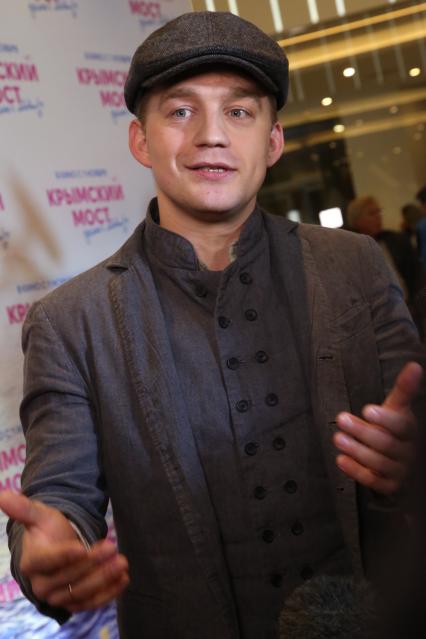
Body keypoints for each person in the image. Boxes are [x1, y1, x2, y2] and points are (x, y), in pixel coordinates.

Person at [0, 11, 424, 639]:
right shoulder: (70, 322)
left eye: (239, 112)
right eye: (180, 111)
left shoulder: (354, 266)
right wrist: (49, 555)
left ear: (272, 142)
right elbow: (60, 499)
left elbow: (413, 433)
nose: (212, 136)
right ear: (141, 141)